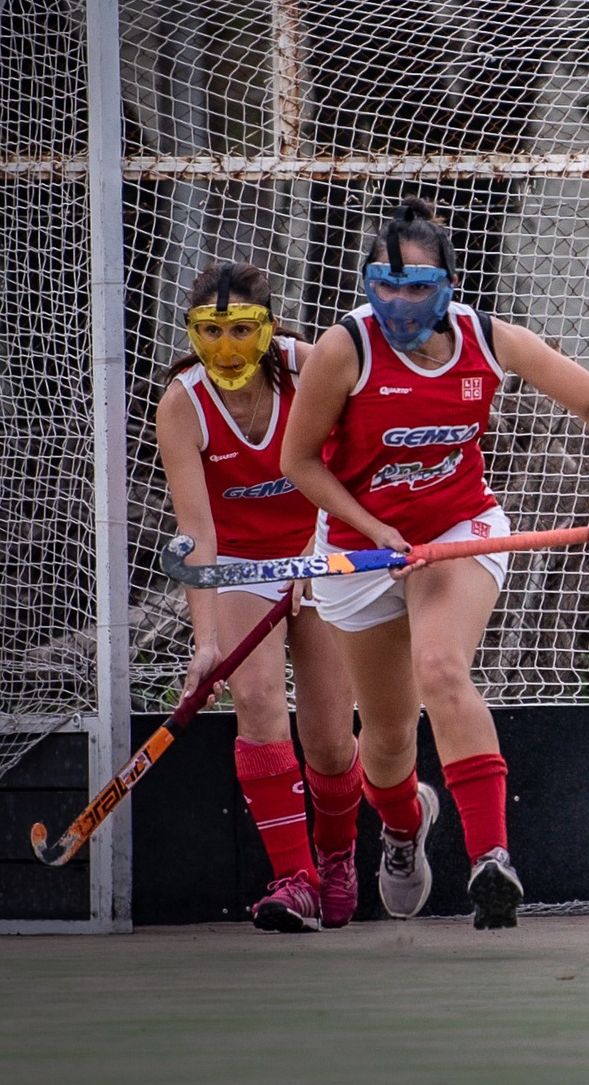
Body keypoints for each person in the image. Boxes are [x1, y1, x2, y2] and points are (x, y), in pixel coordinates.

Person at [280, 198, 589, 929]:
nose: (398, 303)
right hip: (361, 548)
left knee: (441, 669)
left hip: (457, 531)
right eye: (384, 285)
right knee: (386, 738)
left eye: (417, 287)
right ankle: (405, 827)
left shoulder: (488, 339)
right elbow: (299, 462)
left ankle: (490, 861)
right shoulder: (345, 348)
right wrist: (375, 529)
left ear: (448, 286)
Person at [156, 261, 363, 933]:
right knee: (256, 697)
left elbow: (351, 466)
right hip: (241, 564)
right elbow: (197, 534)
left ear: (269, 329)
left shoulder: (312, 369)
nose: (226, 347)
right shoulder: (182, 406)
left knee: (330, 740)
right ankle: (296, 879)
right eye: (210, 331)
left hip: (324, 546)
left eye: (242, 329)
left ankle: (337, 858)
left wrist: (317, 547)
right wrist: (207, 642)